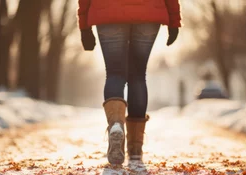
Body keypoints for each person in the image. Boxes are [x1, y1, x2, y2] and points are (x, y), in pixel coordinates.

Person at [78, 0, 182, 164]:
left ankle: (116, 125)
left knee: (114, 73)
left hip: (108, 10)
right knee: (138, 76)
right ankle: (135, 148)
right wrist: (174, 19)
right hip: (148, 12)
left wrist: (84, 25)